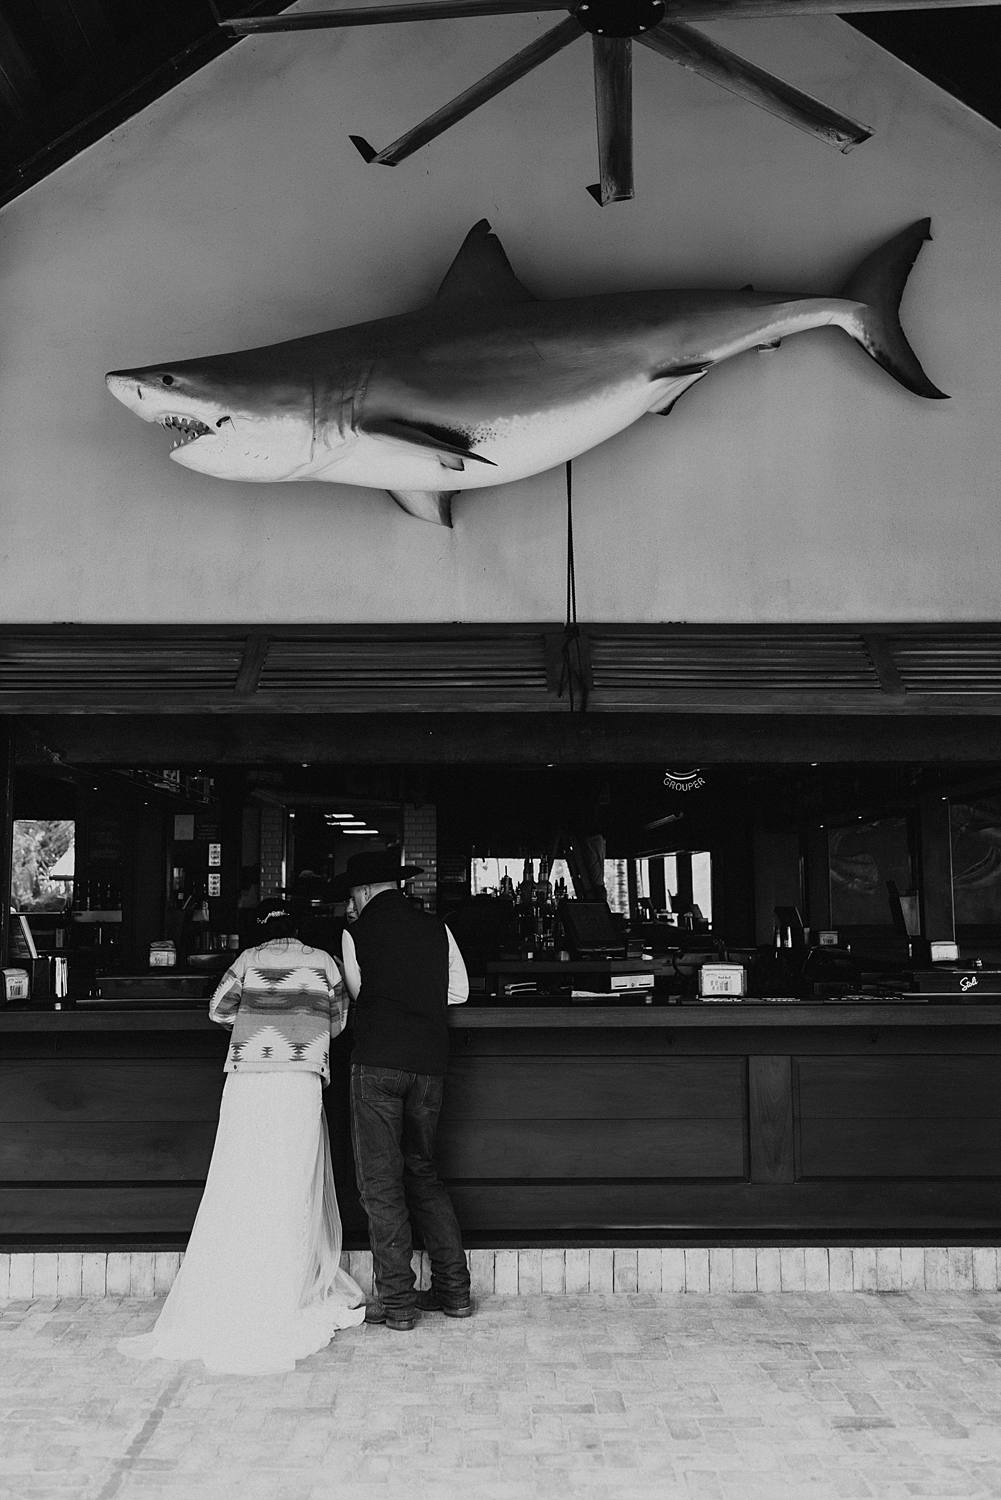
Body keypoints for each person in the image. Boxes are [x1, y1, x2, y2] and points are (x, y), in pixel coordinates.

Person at [117, 900, 364, 1375]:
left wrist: (259, 1020)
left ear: (262, 930)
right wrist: (298, 1022)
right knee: (291, 1178)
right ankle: (286, 1284)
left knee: (244, 1176)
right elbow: (338, 1021)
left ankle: (240, 1279)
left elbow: (217, 1010)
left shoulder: (247, 960)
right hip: (300, 1075)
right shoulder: (324, 962)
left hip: (249, 1074)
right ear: (301, 928)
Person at [333, 848, 471, 1332]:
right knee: (424, 1174)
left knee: (381, 1183)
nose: (351, 903)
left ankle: (397, 1302)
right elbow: (459, 993)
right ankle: (454, 1292)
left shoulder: (355, 933)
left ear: (366, 891)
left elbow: (356, 995)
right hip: (429, 1065)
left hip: (377, 1065)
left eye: (353, 893)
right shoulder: (438, 928)